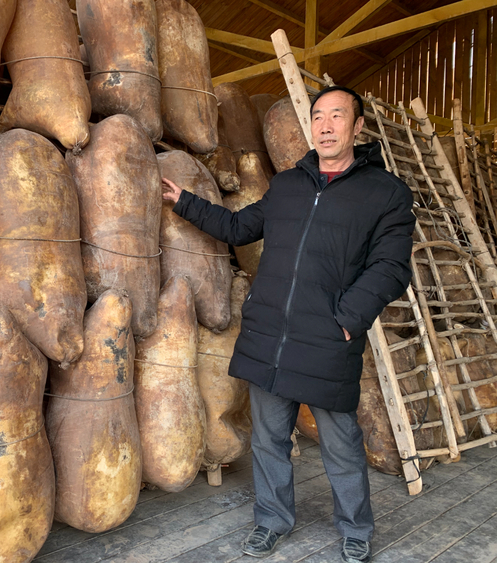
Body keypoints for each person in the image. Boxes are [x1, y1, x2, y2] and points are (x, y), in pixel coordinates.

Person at [162, 86, 415, 563]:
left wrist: (345, 321)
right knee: (269, 439)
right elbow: (239, 229)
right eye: (318, 116)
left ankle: (355, 528)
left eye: (337, 116)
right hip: (271, 335)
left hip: (326, 340)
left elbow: (391, 267)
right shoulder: (288, 186)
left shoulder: (386, 194)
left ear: (357, 127)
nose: (325, 125)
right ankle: (272, 520)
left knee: (341, 443)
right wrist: (185, 201)